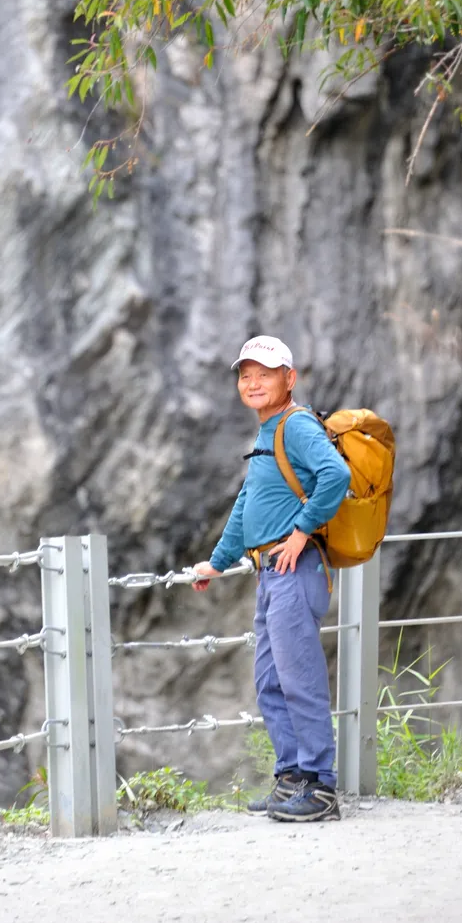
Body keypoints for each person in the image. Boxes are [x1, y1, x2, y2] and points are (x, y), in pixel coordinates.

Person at [192, 335, 351, 822]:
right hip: (269, 571)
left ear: (290, 377)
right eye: (246, 374)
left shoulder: (297, 425)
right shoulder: (268, 432)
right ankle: (292, 779)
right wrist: (218, 562)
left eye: (265, 373)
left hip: (294, 569)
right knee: (270, 680)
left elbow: (337, 475)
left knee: (299, 678)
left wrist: (303, 532)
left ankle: (321, 789)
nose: (253, 382)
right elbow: (248, 504)